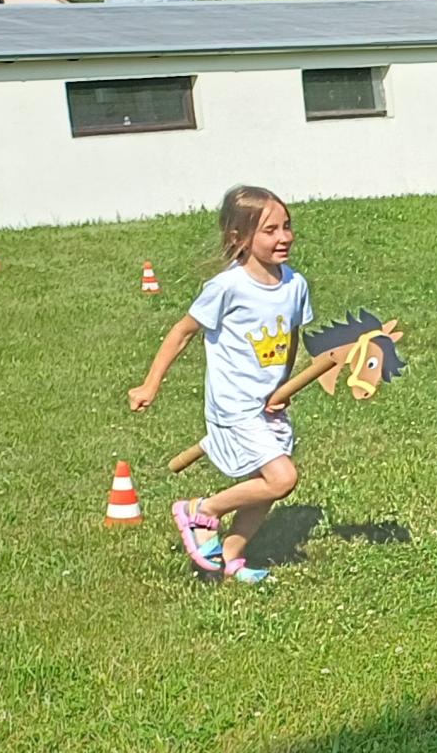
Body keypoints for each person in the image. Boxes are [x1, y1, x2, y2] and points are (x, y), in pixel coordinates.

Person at [129, 185, 314, 583]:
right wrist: (149, 385)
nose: (284, 237)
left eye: (287, 226)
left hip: (268, 403)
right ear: (239, 237)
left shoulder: (295, 284)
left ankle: (229, 560)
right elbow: (182, 332)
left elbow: (291, 337)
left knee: (264, 486)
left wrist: (283, 387)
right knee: (282, 479)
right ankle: (202, 510)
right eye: (270, 230)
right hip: (234, 406)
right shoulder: (228, 287)